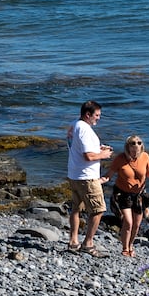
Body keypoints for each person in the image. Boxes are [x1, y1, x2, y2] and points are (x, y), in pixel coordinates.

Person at [66, 100, 112, 256]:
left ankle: (73, 241)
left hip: (74, 173)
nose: (98, 118)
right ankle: (88, 243)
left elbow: (78, 148)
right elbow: (88, 156)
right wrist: (103, 155)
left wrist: (98, 148)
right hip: (87, 177)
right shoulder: (85, 129)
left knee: (76, 208)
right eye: (97, 115)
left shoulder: (74, 125)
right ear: (88, 115)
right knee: (98, 210)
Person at [104, 134, 149, 257]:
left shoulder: (145, 157)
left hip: (138, 195)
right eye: (133, 143)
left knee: (137, 224)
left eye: (139, 143)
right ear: (128, 146)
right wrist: (98, 181)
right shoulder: (120, 159)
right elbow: (109, 175)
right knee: (128, 222)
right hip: (122, 194)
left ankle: (131, 245)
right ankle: (124, 248)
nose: (136, 145)